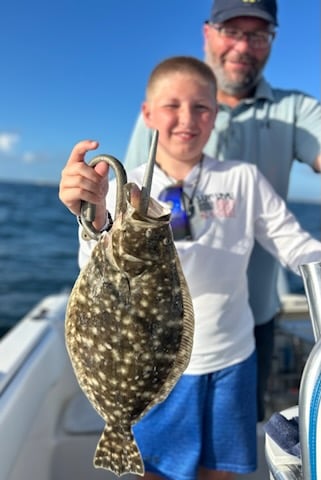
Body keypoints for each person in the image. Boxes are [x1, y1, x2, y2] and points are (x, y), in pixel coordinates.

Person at [59, 55, 321, 480]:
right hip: (149, 366)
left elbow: (294, 243)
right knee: (156, 472)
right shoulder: (123, 190)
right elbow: (94, 262)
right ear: (147, 114)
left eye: (201, 107)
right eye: (172, 106)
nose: (187, 119)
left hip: (233, 357)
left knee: (222, 471)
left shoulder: (242, 178)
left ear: (216, 113)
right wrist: (91, 215)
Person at [123, 0, 321, 422]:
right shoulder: (159, 112)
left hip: (248, 323)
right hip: (158, 323)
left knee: (230, 446)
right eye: (232, 31)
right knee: (158, 447)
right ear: (208, 33)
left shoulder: (296, 111)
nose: (243, 46)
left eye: (258, 34)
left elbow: (292, 240)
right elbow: (127, 214)